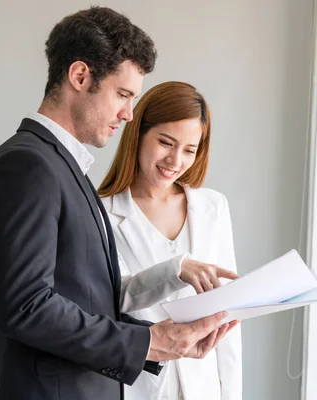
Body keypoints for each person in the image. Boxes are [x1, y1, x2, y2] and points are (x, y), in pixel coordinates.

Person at [0, 7, 237, 400]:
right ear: (80, 76)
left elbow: (92, 301)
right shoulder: (27, 165)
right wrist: (150, 344)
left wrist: (165, 341)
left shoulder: (64, 170)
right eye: (123, 94)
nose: (128, 114)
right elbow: (27, 307)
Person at [98, 81, 243, 400]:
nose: (175, 161)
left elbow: (228, 318)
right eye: (166, 142)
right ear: (138, 134)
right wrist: (176, 270)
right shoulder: (101, 212)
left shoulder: (212, 207)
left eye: (189, 150)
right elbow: (108, 303)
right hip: (140, 389)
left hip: (204, 390)